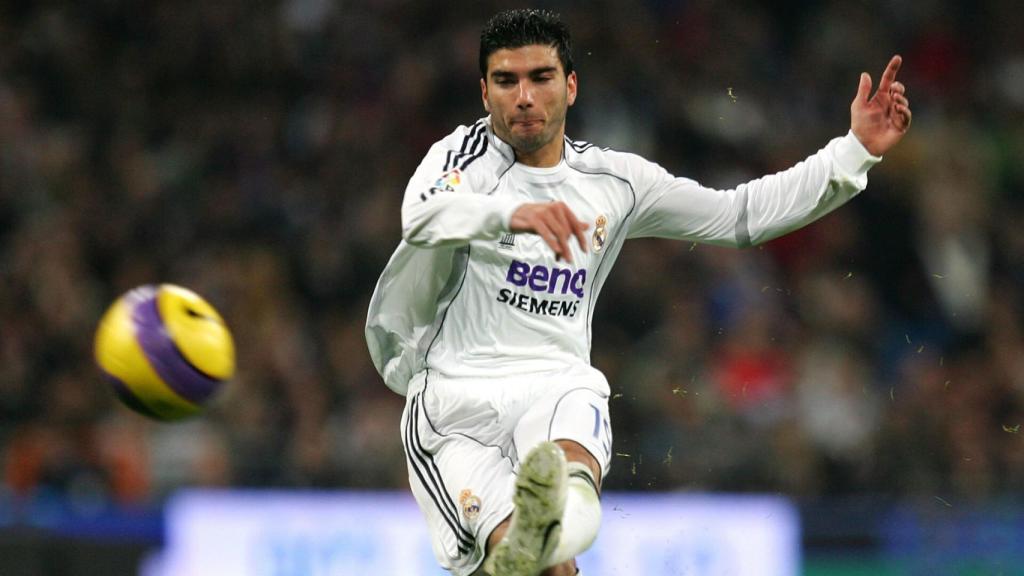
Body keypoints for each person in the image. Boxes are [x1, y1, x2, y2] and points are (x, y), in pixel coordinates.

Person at [365, 8, 911, 576]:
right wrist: (510, 214)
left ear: (570, 86)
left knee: (568, 466)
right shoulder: (464, 160)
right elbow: (420, 217)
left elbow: (738, 214)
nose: (523, 97)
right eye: (506, 81)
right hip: (456, 401)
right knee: (541, 569)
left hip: (555, 381)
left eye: (540, 77)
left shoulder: (613, 182)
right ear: (485, 93)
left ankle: (556, 519)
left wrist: (854, 150)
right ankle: (545, 539)